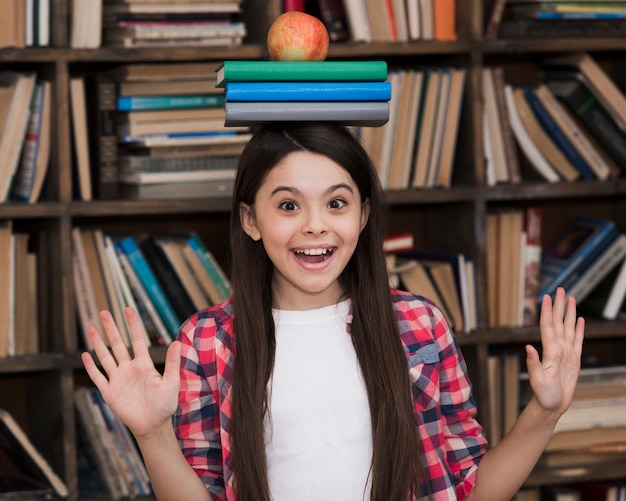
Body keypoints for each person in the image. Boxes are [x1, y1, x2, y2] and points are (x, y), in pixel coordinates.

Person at [81, 122, 585, 501]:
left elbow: (469, 490)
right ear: (250, 220)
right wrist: (152, 434)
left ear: (364, 216)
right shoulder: (205, 342)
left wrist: (545, 413)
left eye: (337, 204)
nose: (316, 226)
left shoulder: (419, 326)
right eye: (288, 206)